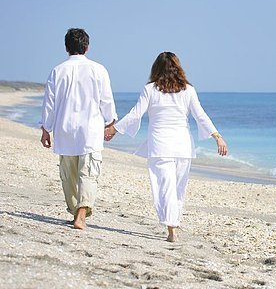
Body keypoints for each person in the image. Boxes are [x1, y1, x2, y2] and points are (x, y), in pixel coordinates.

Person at [104, 51, 227, 242]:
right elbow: (200, 116)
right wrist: (217, 136)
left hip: (160, 146)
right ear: (178, 68)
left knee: (165, 188)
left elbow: (135, 115)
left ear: (156, 68)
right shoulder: (188, 90)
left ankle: (172, 229)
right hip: (182, 146)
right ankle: (173, 225)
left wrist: (114, 129)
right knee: (177, 189)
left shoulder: (150, 89)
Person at [40, 28, 117, 230]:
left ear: (66, 47)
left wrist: (46, 129)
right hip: (90, 130)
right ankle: (81, 214)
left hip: (64, 129)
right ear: (87, 47)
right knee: (89, 173)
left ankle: (77, 211)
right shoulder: (99, 69)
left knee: (69, 176)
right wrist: (110, 123)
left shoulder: (57, 71)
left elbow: (49, 103)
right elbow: (106, 100)